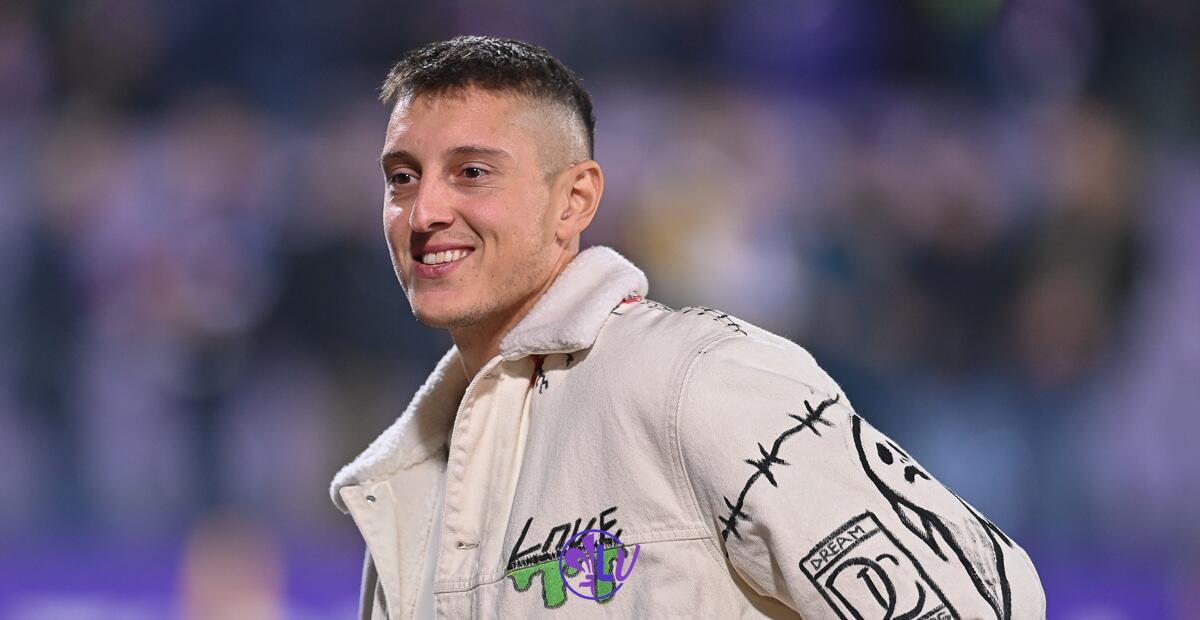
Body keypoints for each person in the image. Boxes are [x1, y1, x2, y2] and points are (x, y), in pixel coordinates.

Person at [330, 35, 1046, 619]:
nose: (423, 213)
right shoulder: (403, 485)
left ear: (574, 201)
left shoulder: (694, 378)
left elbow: (980, 601)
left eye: (472, 173)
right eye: (401, 178)